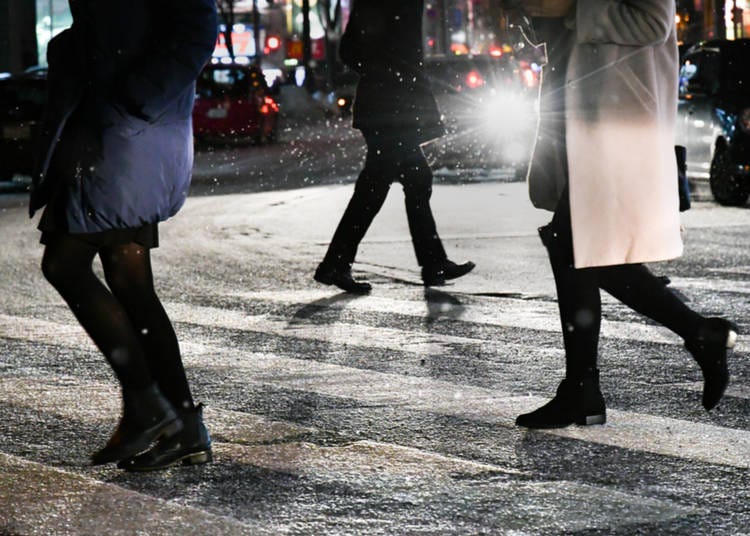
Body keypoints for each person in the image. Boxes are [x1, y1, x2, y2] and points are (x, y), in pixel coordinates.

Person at [507, 0, 738, 428]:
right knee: (584, 250)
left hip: (621, 114)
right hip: (587, 113)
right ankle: (692, 339)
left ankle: (587, 386)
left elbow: (652, 21)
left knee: (574, 245)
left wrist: (577, 12)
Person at [29, 0, 218, 469]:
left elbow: (195, 27)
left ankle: (148, 404)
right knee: (132, 286)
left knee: (64, 263)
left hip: (127, 133)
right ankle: (184, 426)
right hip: (114, 129)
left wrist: (132, 97)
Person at [314, 0, 475, 294]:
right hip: (388, 110)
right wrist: (388, 75)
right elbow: (350, 50)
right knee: (380, 186)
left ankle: (429, 262)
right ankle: (338, 263)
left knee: (407, 181)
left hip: (395, 107)